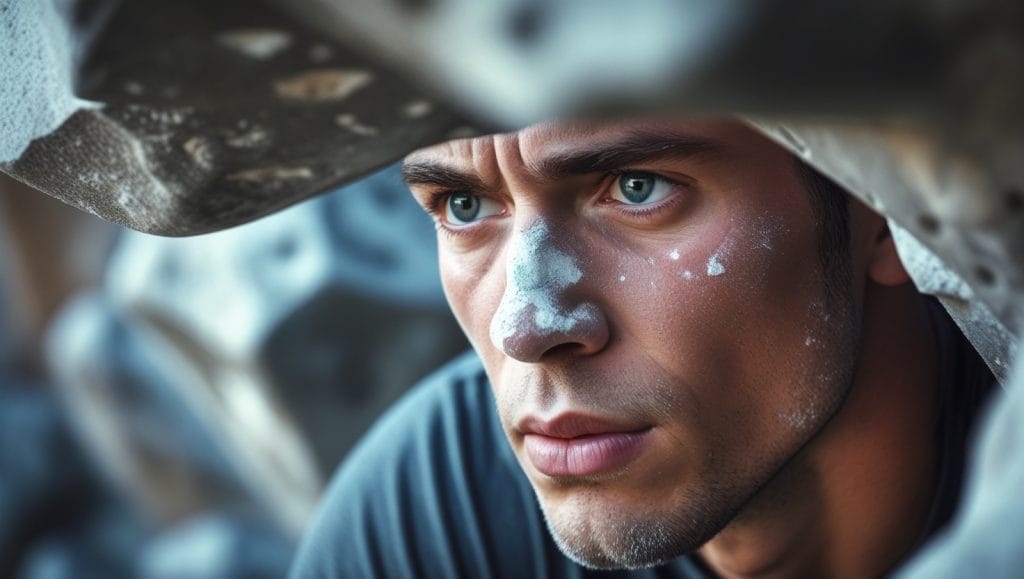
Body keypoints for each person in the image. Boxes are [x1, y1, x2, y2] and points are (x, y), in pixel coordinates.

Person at [288, 118, 995, 578]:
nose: (527, 326)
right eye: (465, 207)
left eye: (637, 188)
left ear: (889, 207)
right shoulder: (435, 516)